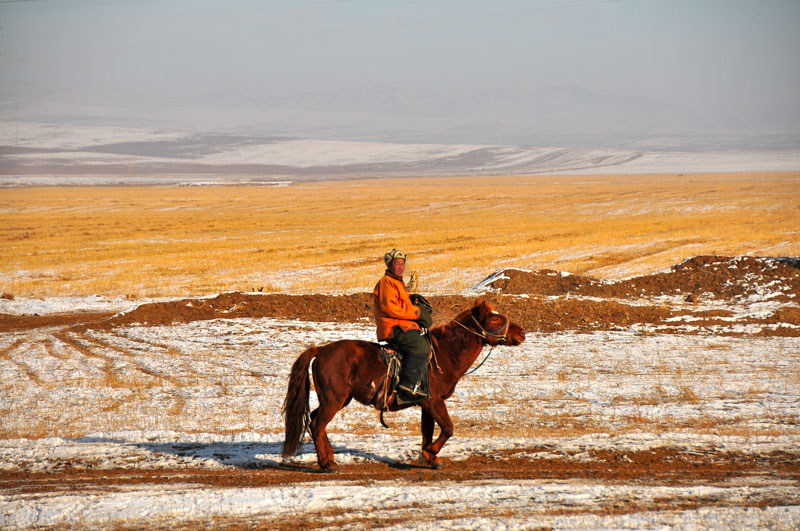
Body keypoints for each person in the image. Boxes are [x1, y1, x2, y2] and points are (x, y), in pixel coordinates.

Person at [373, 249, 432, 403]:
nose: (400, 267)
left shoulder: (397, 282)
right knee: (420, 346)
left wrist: (413, 300)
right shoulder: (387, 282)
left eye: (402, 264)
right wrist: (417, 313)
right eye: (397, 264)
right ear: (389, 265)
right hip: (393, 327)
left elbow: (401, 303)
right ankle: (407, 385)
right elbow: (391, 308)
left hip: (401, 324)